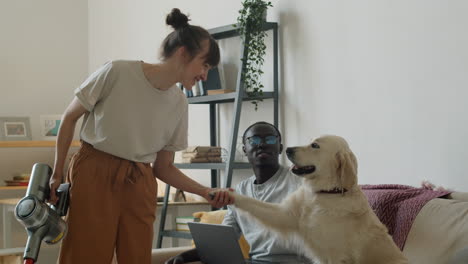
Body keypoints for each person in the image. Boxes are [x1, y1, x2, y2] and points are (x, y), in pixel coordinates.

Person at [49, 8, 232, 264]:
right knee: (84, 256)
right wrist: (57, 173)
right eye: (204, 64)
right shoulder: (117, 72)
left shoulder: (179, 103)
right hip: (94, 171)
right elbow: (69, 118)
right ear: (183, 53)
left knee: (136, 258)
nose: (205, 74)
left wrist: (204, 191)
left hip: (140, 181)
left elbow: (164, 168)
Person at [166, 122, 312, 264]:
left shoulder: (300, 181)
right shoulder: (240, 191)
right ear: (244, 149)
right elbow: (222, 242)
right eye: (254, 140)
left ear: (280, 147)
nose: (261, 144)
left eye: (270, 139)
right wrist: (183, 257)